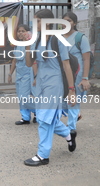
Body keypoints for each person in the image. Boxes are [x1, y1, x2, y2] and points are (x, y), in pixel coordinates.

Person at [24, 9, 77, 166]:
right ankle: (68, 134)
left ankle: (43, 155)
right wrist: (27, 46)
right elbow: (29, 63)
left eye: (38, 21)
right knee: (45, 117)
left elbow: (67, 66)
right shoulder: (36, 40)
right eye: (35, 21)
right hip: (41, 83)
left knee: (45, 120)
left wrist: (71, 90)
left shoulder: (58, 40)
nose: (36, 24)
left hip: (54, 84)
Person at [62, 12, 91, 131]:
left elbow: (86, 59)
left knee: (73, 100)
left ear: (74, 23)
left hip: (77, 74)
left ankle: (71, 128)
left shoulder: (80, 38)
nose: (66, 23)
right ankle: (76, 115)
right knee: (61, 99)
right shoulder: (59, 37)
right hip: (62, 73)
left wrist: (85, 78)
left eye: (69, 21)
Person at [8, 24, 37, 125]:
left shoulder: (31, 45)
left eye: (23, 31)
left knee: (24, 97)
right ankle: (25, 117)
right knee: (20, 97)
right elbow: (15, 61)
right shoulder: (17, 45)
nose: (20, 33)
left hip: (28, 74)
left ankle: (38, 111)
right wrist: (10, 73)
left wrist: (35, 76)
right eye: (19, 31)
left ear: (28, 33)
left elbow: (34, 62)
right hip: (19, 75)